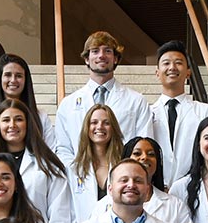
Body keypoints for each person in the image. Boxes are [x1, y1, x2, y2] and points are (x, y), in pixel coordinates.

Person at [0, 99, 73, 223]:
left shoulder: (48, 166)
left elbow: (60, 221)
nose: (12, 125)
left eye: (19, 119)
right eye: (6, 120)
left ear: (28, 124)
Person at [55, 31, 152, 163]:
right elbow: (63, 148)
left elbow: (143, 144)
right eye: (95, 51)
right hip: (80, 178)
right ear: (86, 59)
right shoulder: (68, 104)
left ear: (116, 58)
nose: (101, 55)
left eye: (107, 51)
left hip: (123, 177)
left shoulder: (136, 101)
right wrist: (76, 173)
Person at [150, 40, 208, 187]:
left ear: (188, 72)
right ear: (157, 73)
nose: (172, 67)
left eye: (178, 63)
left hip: (194, 187)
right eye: (166, 63)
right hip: (155, 189)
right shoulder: (148, 113)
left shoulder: (205, 111)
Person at [96, 136, 190, 223]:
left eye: (151, 154)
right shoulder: (103, 206)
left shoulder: (175, 206)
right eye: (137, 153)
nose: (144, 157)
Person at [0, 53, 56, 151]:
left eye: (19, 76)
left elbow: (51, 153)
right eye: (8, 75)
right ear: (0, 79)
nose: (13, 80)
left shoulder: (41, 118)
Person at [67, 104, 125, 223]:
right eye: (94, 122)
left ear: (113, 128)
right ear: (87, 128)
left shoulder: (123, 166)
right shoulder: (74, 169)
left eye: (106, 123)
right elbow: (68, 212)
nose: (100, 127)